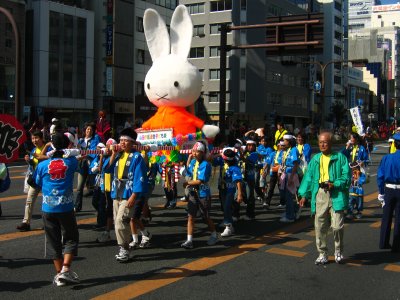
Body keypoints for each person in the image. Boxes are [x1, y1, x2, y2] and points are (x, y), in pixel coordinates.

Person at [34, 132, 80, 286]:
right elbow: (77, 158)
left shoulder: (42, 165)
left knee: (53, 241)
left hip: (48, 207)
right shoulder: (71, 162)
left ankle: (59, 275)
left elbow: (36, 182)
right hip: (65, 206)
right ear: (67, 145)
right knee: (71, 237)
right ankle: (65, 270)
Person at [298, 132, 351, 265]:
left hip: (336, 192)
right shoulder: (316, 159)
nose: (322, 144)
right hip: (321, 193)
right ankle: (322, 253)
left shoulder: (341, 158)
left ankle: (338, 251)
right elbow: (309, 178)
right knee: (320, 225)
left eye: (325, 142)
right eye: (320, 142)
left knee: (337, 226)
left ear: (331, 143)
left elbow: (347, 177)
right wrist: (304, 194)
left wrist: (335, 184)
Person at [106, 128, 150, 262]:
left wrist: (134, 196)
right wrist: (113, 154)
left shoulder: (137, 157)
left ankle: (125, 248)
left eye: (126, 140)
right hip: (117, 193)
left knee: (120, 221)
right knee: (117, 222)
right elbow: (107, 170)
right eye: (121, 140)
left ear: (132, 143)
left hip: (128, 193)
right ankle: (124, 247)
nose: (122, 143)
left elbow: (140, 178)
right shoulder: (118, 155)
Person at [181, 141, 218, 249]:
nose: (195, 153)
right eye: (194, 151)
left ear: (202, 153)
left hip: (203, 193)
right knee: (191, 216)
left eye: (197, 152)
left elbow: (199, 181)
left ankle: (214, 234)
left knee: (205, 216)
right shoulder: (193, 162)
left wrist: (187, 183)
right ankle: (189, 240)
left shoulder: (205, 164)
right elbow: (189, 172)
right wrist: (188, 159)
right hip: (193, 193)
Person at [17, 131, 48, 231]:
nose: (34, 140)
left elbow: (52, 160)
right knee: (29, 200)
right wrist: (29, 161)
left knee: (47, 201)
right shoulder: (33, 150)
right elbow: (33, 166)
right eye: (33, 138)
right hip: (35, 179)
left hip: (46, 180)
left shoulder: (48, 148)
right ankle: (26, 222)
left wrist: (41, 158)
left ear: (42, 138)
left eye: (36, 138)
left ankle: (48, 223)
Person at [377, 132, 400, 253]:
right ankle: (397, 245)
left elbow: (380, 176)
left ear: (395, 145)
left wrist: (381, 192)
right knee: (399, 219)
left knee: (386, 217)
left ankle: (383, 243)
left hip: (389, 189)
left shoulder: (386, 158)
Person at [75, 122, 100, 212]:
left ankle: (98, 205)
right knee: (79, 187)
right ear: (84, 130)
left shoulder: (95, 139)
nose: (89, 131)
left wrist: (86, 153)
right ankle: (77, 206)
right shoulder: (81, 140)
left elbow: (95, 151)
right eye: (87, 129)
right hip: (82, 165)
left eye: (91, 129)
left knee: (94, 187)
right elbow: (77, 151)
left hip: (91, 165)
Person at [219, 148, 244, 237]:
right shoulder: (223, 163)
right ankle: (228, 222)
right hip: (223, 189)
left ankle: (228, 227)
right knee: (225, 207)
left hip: (230, 190)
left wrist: (239, 194)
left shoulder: (234, 168)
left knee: (227, 207)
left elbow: (238, 181)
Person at [279, 134, 300, 223]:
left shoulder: (294, 150)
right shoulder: (288, 150)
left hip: (290, 174)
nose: (284, 142)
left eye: (285, 141)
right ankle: (291, 211)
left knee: (288, 196)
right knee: (286, 194)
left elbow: (295, 164)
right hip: (286, 173)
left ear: (289, 141)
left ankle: (290, 216)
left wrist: (291, 178)